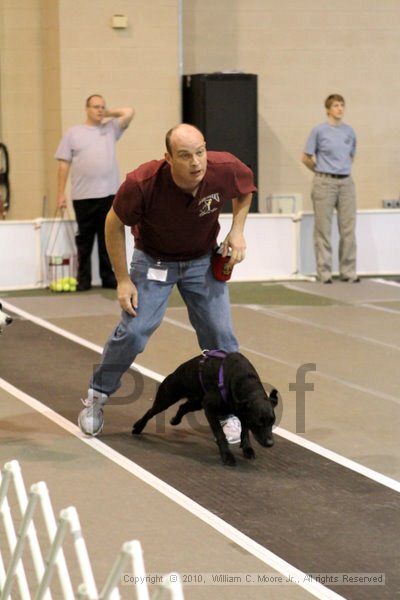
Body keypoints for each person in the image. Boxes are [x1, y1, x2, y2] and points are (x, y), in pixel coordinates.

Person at [78, 123, 256, 444]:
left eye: (200, 152)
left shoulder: (224, 168)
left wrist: (237, 229)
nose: (196, 163)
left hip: (201, 260)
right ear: (169, 158)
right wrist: (122, 279)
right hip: (153, 262)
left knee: (221, 337)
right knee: (133, 334)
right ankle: (97, 396)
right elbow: (113, 223)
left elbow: (244, 191)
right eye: (185, 156)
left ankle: (227, 408)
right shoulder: (142, 183)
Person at [55, 94, 135, 291]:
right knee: (84, 240)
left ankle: (109, 278)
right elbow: (63, 165)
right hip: (83, 196)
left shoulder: (111, 129)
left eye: (102, 107)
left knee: (107, 237)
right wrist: (60, 193)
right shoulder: (73, 133)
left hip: (108, 194)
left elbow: (129, 112)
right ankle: (83, 280)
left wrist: (108, 113)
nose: (99, 110)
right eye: (95, 107)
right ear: (86, 109)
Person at [302, 94, 359, 284]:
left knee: (348, 228)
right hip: (324, 182)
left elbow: (350, 156)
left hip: (346, 183)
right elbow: (306, 157)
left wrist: (341, 170)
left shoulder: (349, 132)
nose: (340, 108)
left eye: (342, 105)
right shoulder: (319, 131)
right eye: (336, 105)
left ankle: (348, 271)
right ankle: (324, 272)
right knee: (323, 229)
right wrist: (320, 171)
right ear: (328, 109)